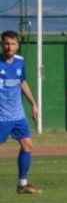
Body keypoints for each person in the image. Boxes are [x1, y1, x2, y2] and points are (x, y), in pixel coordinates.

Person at [0, 30, 41, 194]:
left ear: (18, 46)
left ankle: (22, 184)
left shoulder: (20, 62)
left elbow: (22, 82)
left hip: (18, 115)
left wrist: (33, 103)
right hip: (2, 116)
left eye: (12, 43)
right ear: (2, 44)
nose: (9, 47)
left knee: (27, 145)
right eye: (6, 43)